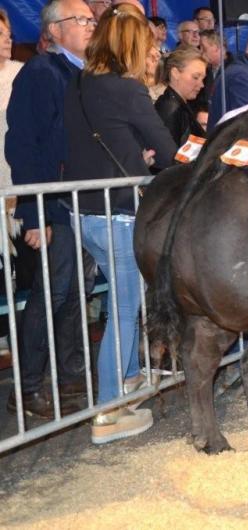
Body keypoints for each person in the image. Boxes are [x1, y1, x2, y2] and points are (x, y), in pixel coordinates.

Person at [63, 3, 176, 442]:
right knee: (126, 309)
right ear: (132, 46)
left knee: (119, 303)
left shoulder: (79, 83)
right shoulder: (126, 90)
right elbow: (166, 150)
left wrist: (135, 158)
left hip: (82, 211)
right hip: (118, 213)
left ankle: (127, 381)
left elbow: (96, 142)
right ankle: (108, 413)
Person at [5, 0, 95, 419]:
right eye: (82, 20)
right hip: (53, 204)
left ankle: (71, 375)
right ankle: (27, 387)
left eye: (92, 20)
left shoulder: (83, 74)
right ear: (55, 29)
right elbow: (22, 145)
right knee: (50, 295)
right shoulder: (40, 73)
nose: (91, 25)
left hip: (80, 202)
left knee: (77, 292)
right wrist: (36, 211)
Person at [155, 47, 208, 145]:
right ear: (175, 73)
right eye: (195, 77)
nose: (201, 85)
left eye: (202, 79)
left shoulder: (179, 106)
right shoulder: (170, 109)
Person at [0, 8, 24, 190]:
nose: (8, 39)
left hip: (13, 168)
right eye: (0, 34)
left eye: (9, 34)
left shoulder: (22, 73)